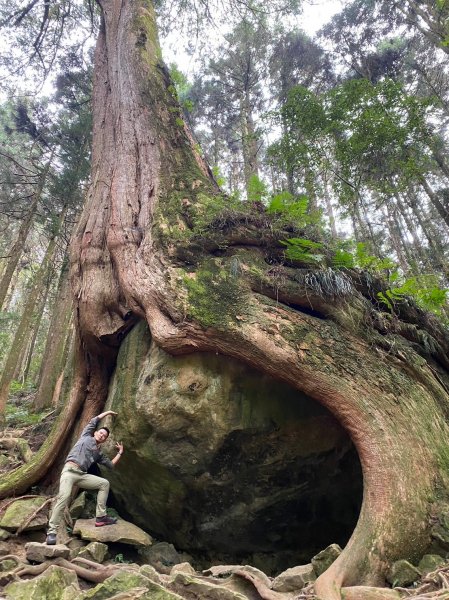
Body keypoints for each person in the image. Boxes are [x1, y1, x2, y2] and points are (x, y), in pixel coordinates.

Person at [46, 410, 124, 545]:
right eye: (100, 433)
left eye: (104, 436)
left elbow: (110, 465)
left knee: (104, 483)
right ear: (95, 433)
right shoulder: (86, 436)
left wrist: (120, 453)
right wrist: (108, 413)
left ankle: (101, 518)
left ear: (104, 440)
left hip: (82, 475)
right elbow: (94, 421)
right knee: (63, 498)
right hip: (70, 471)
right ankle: (52, 532)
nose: (102, 435)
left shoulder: (99, 453)